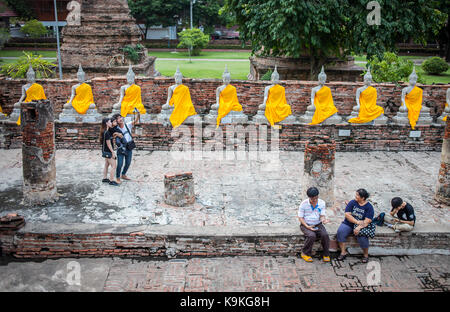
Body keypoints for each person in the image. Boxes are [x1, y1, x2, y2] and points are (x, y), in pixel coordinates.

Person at [336, 189, 374, 263]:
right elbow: (347, 214)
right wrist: (356, 221)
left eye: (357, 195)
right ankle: (343, 252)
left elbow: (368, 220)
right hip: (349, 223)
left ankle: (366, 255)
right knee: (341, 232)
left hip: (362, 225)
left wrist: (359, 227)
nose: (355, 196)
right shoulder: (352, 202)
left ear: (363, 198)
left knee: (362, 237)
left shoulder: (369, 207)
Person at [298, 187, 331, 263]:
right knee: (311, 235)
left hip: (318, 223)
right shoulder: (304, 204)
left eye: (316, 198)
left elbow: (322, 216)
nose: (314, 200)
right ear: (309, 197)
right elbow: (300, 218)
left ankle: (326, 254)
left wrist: (324, 220)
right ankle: (305, 253)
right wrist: (307, 226)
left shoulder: (322, 203)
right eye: (313, 199)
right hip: (306, 224)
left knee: (325, 235)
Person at [111, 111, 140, 184]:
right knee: (120, 164)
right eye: (118, 118)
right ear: (116, 121)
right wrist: (116, 133)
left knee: (128, 163)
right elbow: (112, 135)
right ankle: (117, 177)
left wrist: (138, 115)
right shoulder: (115, 128)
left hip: (129, 147)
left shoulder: (128, 125)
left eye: (120, 117)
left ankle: (123, 174)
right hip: (121, 148)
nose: (120, 119)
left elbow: (135, 121)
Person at [100, 118, 119, 186]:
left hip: (105, 151)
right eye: (110, 122)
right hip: (108, 152)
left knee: (106, 165)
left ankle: (104, 178)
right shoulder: (107, 132)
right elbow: (109, 144)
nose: (111, 123)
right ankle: (111, 180)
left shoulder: (105, 131)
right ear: (106, 123)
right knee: (114, 166)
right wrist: (113, 153)